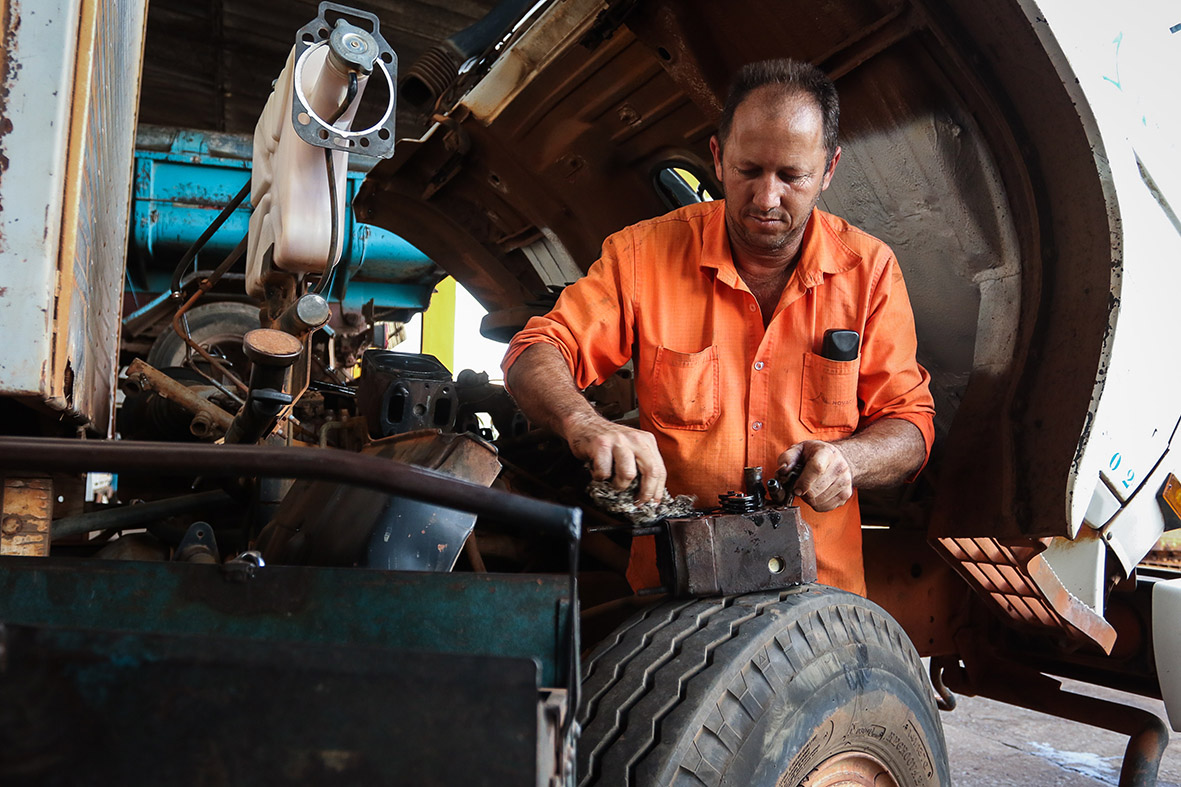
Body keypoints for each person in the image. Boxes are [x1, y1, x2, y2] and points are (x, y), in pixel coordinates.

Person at [502, 59, 934, 596]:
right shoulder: (642, 255)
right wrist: (585, 424)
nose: (766, 198)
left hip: (819, 601)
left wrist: (850, 459)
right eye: (749, 170)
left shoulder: (869, 272)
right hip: (672, 591)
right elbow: (535, 349)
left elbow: (911, 425)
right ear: (717, 158)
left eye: (792, 176)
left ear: (828, 170)